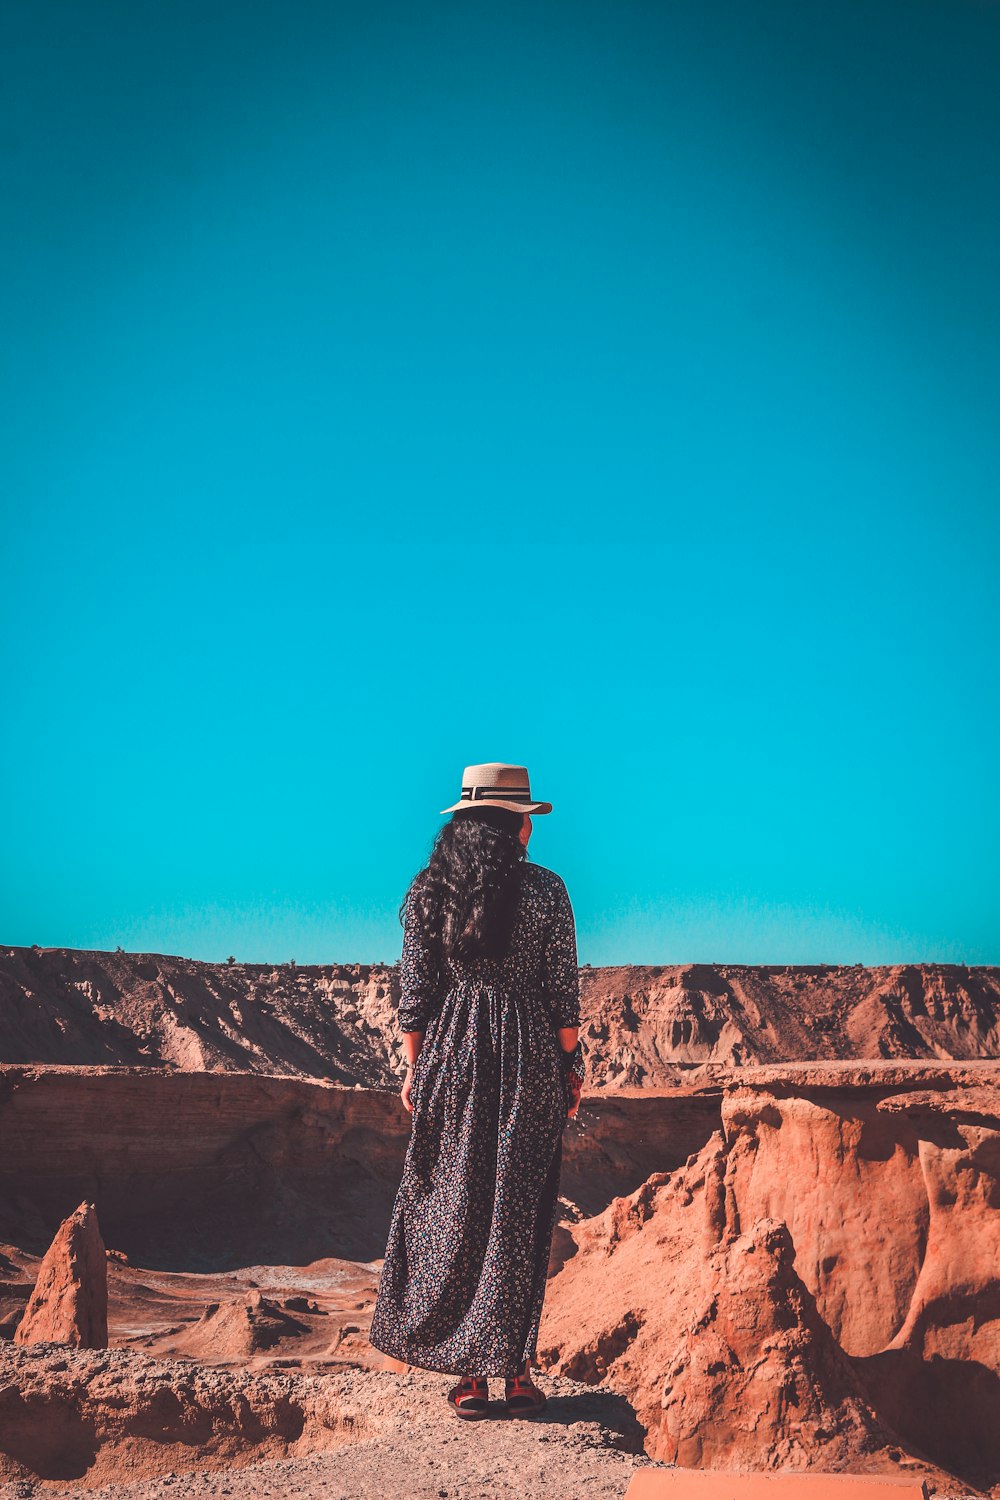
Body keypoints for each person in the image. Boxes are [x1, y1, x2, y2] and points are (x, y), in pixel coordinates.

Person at [368, 761, 586, 1420]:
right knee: (518, 1214)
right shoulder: (547, 891)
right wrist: (569, 1067)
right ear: (517, 825)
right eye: (526, 820)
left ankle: (468, 1378)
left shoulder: (429, 890)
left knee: (454, 1211)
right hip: (528, 1058)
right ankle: (516, 1375)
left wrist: (415, 1070)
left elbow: (415, 995)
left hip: (452, 1054)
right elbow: (562, 996)